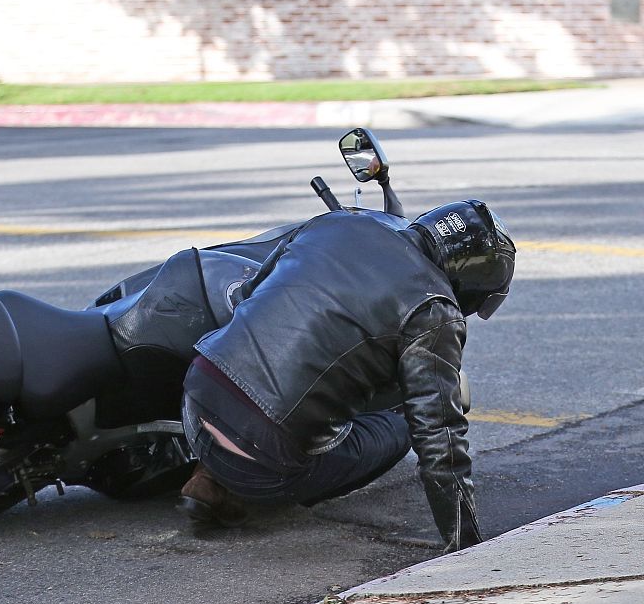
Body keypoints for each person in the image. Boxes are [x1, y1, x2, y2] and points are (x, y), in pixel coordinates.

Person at [177, 201, 516, 553]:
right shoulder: (433, 309)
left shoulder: (337, 223)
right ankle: (235, 489)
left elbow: (249, 294)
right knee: (404, 427)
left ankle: (208, 475)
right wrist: (466, 542)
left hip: (196, 395)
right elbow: (438, 434)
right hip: (261, 458)